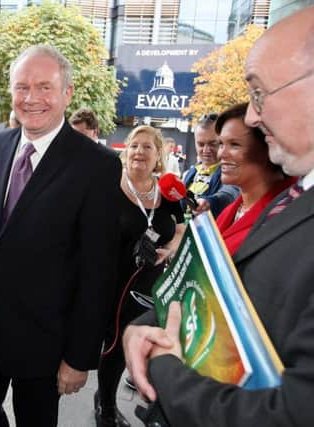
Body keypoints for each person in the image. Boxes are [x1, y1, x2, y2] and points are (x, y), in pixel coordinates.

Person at [122, 6, 314, 426]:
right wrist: (145, 325)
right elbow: (219, 289)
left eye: (260, 93)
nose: (252, 114)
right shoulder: (293, 202)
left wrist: (164, 365)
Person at [0, 45, 122, 426]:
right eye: (22, 87)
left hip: (44, 343)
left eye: (44, 87)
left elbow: (98, 272)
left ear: (67, 93)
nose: (31, 98)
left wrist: (79, 358)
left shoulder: (98, 166)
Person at [94, 126, 184, 427]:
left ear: (158, 154)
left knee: (121, 345)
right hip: (108, 280)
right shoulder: (108, 184)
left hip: (147, 284)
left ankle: (104, 403)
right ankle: (103, 401)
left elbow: (181, 228)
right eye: (134, 146)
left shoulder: (169, 192)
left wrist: (169, 248)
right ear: (125, 150)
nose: (139, 152)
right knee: (109, 343)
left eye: (147, 147)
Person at [215, 102, 296, 255]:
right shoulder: (229, 212)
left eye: (234, 144)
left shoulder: (289, 210)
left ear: (269, 147)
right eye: (220, 144)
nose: (221, 154)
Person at [182, 113, 239, 217]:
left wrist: (210, 202)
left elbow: (229, 194)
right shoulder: (189, 174)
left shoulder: (231, 172)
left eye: (213, 143)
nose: (206, 150)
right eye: (201, 144)